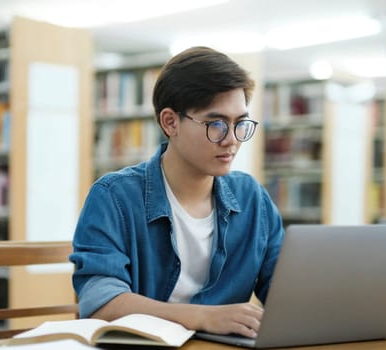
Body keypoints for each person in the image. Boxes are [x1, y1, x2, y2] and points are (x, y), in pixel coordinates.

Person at [70, 46, 284, 338]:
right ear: (170, 122)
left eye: (240, 124)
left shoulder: (252, 198)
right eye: (217, 124)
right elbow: (101, 302)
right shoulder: (114, 197)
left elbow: (285, 292)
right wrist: (203, 317)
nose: (232, 140)